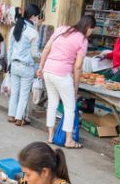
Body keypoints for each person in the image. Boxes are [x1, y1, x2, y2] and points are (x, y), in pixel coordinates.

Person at [38, 14, 96, 149]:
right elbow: (78, 66)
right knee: (70, 108)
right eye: (92, 30)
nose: (91, 33)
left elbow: (47, 48)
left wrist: (41, 67)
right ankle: (68, 140)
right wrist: (76, 86)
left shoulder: (62, 29)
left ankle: (51, 136)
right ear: (88, 27)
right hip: (62, 74)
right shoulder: (82, 40)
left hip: (48, 71)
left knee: (52, 103)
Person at [6, 4, 42, 127]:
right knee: (24, 94)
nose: (39, 19)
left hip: (14, 65)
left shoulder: (15, 28)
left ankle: (11, 115)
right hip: (26, 67)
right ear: (33, 17)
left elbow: (9, 49)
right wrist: (44, 55)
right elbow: (34, 53)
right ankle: (20, 118)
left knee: (15, 92)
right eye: (38, 16)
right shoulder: (33, 33)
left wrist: (9, 65)